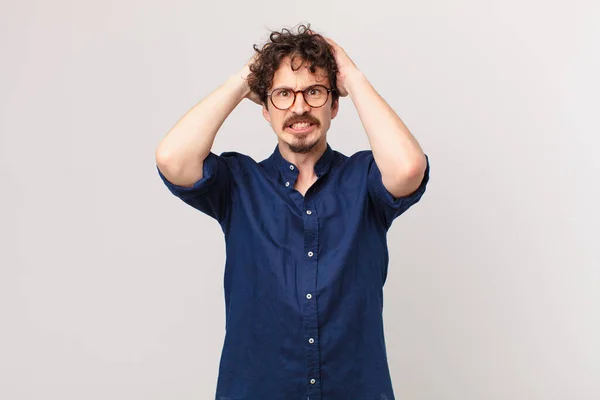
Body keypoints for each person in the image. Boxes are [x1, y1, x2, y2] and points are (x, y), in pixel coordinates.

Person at [155, 24, 430, 400]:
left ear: (335, 104)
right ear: (265, 109)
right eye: (283, 94)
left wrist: (353, 77)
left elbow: (408, 169)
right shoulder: (239, 183)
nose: (299, 107)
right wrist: (241, 80)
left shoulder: (365, 180)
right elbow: (173, 158)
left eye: (314, 92)